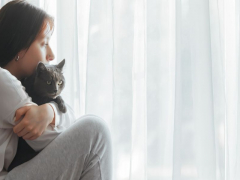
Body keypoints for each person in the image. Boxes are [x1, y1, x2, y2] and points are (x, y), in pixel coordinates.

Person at [0, 0, 112, 180]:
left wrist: (50, 111)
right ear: (19, 45)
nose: (51, 55)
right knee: (95, 131)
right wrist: (53, 113)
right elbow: (49, 139)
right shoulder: (2, 81)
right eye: (44, 43)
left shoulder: (16, 85)